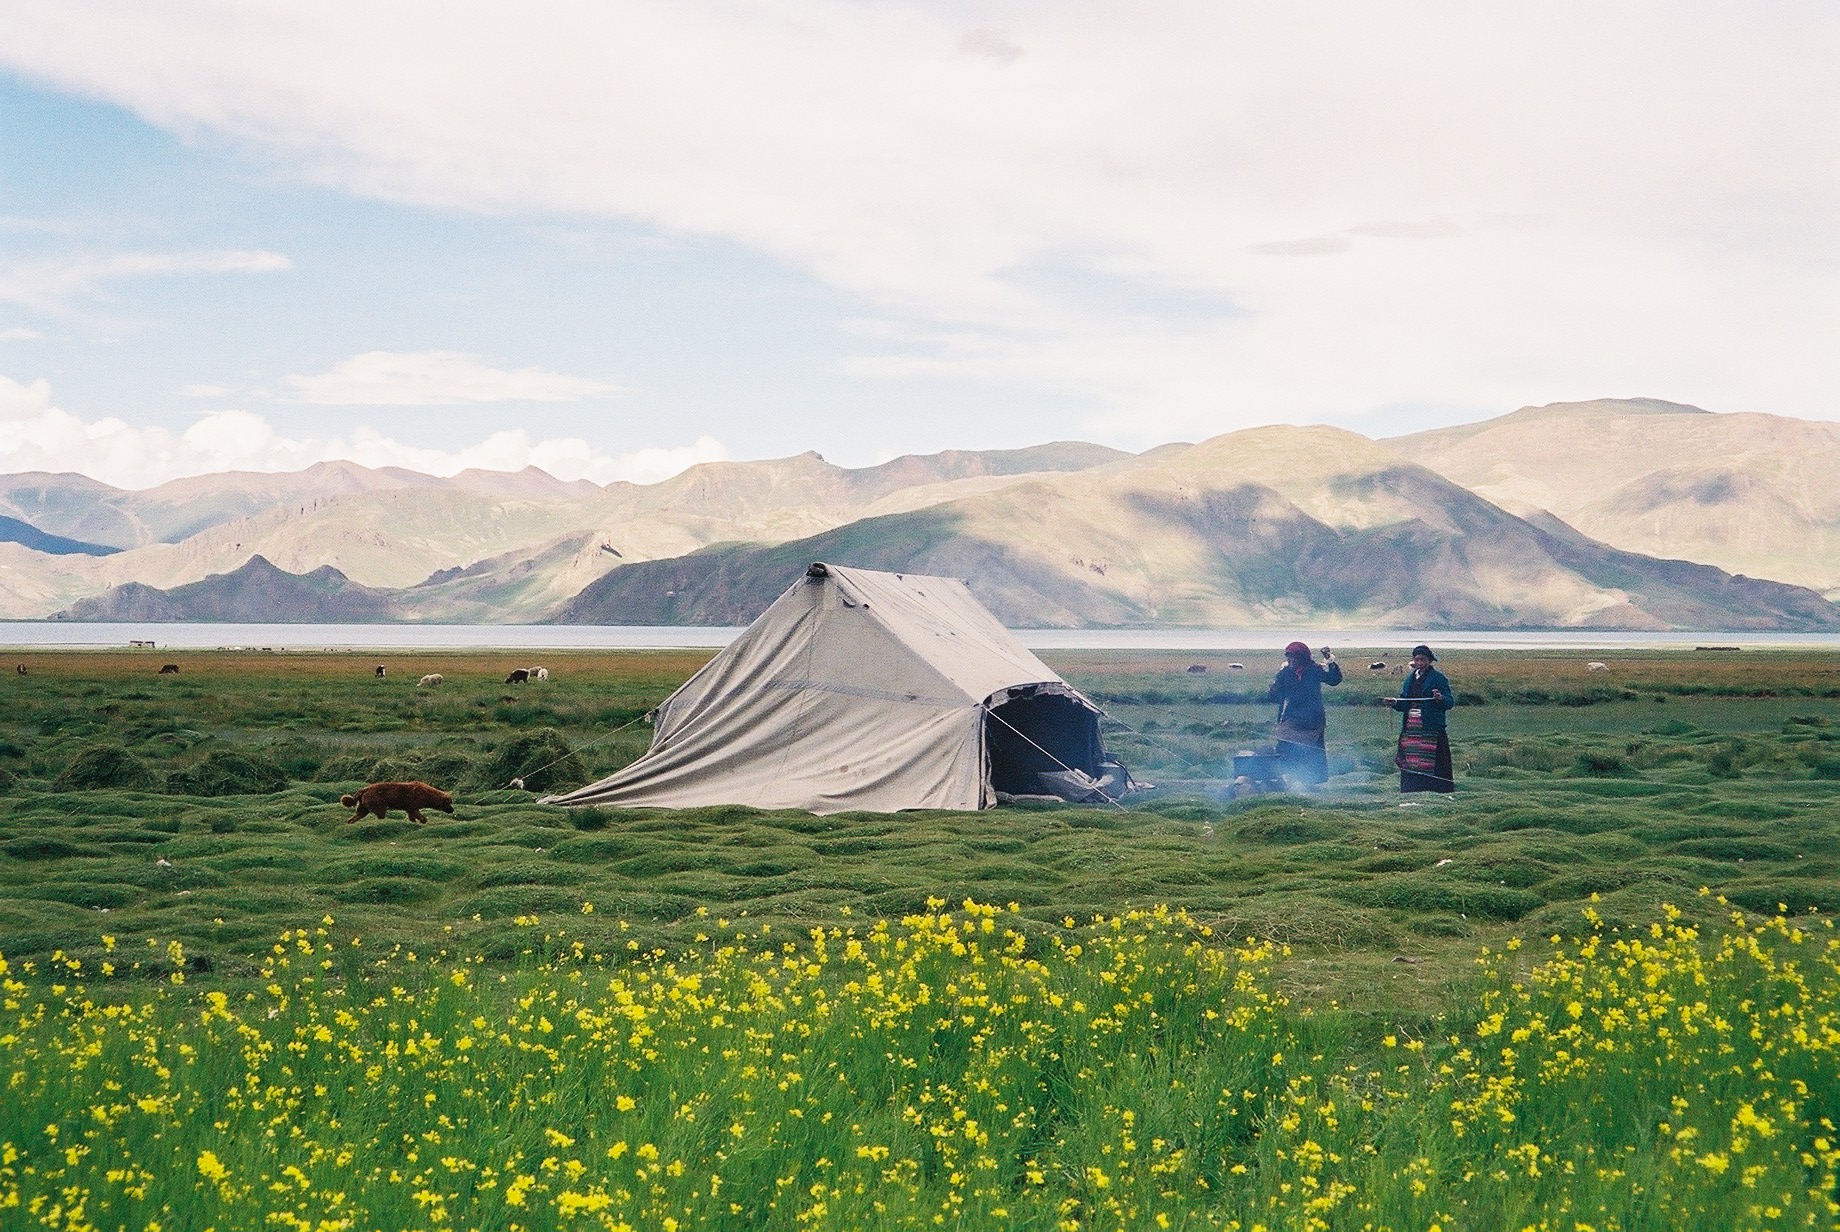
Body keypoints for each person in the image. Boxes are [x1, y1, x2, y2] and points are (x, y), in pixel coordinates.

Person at [1266, 641, 1342, 788]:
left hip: (1312, 720)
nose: (1290, 661)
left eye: (1293, 658)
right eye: (1289, 658)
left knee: (1311, 753)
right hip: (1290, 719)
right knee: (1286, 749)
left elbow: (1334, 680)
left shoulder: (1314, 670)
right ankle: (1287, 780)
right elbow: (1276, 697)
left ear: (1302, 658)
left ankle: (1309, 783)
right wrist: (1273, 690)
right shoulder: (1284, 673)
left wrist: (1330, 660)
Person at [1389, 644, 1455, 793]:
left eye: (1423, 659)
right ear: (1413, 660)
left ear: (1429, 661)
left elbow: (1449, 702)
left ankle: (1440, 790)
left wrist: (1440, 698)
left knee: (1435, 759)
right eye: (1417, 659)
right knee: (1410, 759)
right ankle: (1411, 789)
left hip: (1430, 726)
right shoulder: (1409, 679)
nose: (1419, 663)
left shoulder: (1438, 678)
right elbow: (1404, 702)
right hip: (1411, 726)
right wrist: (1394, 703)